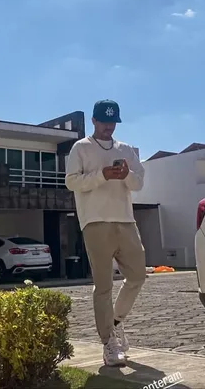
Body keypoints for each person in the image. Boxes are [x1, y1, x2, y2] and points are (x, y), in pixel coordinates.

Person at [65, 99, 146, 366]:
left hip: (126, 220)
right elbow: (71, 181)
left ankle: (116, 321)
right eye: (104, 121)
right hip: (95, 221)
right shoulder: (81, 147)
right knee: (103, 285)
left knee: (138, 275)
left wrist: (125, 175)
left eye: (112, 122)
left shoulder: (126, 149)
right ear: (94, 121)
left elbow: (139, 182)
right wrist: (103, 175)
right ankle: (108, 342)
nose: (108, 127)